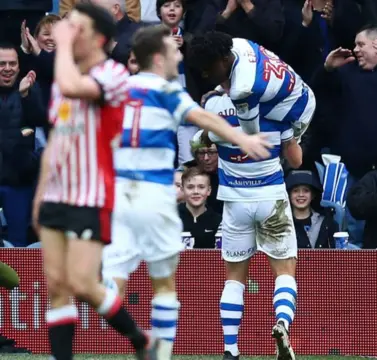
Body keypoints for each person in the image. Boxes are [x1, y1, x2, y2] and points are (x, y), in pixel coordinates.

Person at [100, 24, 273, 360]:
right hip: (154, 195)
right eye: (173, 50)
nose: (179, 55)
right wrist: (243, 139)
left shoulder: (117, 88)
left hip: (119, 196)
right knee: (164, 286)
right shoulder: (167, 91)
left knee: (113, 284)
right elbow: (203, 118)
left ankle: (108, 312)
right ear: (157, 58)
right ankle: (159, 353)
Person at [31, 4, 152, 360]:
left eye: (75, 28)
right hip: (56, 194)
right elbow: (55, 140)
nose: (66, 33)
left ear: (98, 38)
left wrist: (62, 47)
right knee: (57, 287)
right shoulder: (62, 78)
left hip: (91, 195)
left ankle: (137, 338)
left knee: (84, 283)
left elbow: (72, 85)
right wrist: (40, 197)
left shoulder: (113, 74)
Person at [199, 88, 303, 360]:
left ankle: (230, 350)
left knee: (234, 279)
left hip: (235, 202)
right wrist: (294, 134)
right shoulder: (276, 108)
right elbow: (296, 160)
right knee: (284, 271)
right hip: (271, 199)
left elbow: (199, 144)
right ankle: (282, 323)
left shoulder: (215, 105)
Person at [187, 30, 316, 144]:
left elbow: (251, 137)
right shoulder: (238, 43)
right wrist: (217, 90)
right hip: (292, 92)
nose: (204, 74)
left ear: (224, 59)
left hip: (296, 113)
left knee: (281, 157)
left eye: (208, 68)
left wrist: (209, 135)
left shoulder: (242, 90)